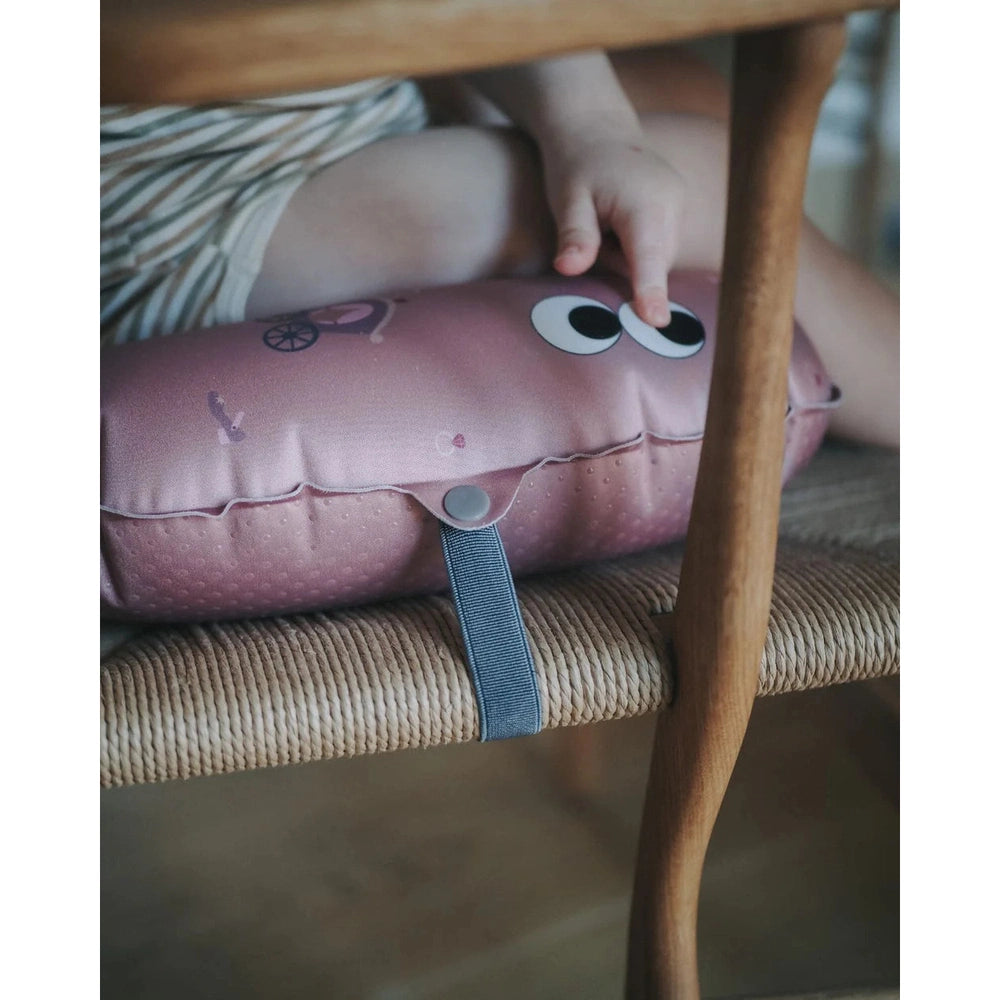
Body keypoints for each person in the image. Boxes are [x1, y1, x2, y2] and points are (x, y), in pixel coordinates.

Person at [100, 47, 899, 448]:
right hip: (181, 209)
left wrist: (590, 125)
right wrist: (589, 130)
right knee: (713, 179)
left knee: (679, 86)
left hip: (317, 104)